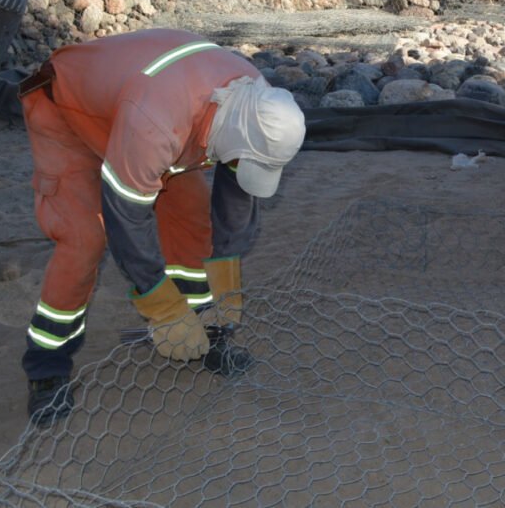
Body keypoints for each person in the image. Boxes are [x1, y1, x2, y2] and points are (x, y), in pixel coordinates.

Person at [17, 28, 306, 425]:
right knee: (85, 239)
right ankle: (46, 366)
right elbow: (125, 219)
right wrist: (161, 308)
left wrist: (225, 277)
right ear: (232, 134)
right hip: (67, 110)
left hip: (144, 113)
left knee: (191, 216)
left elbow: (234, 193)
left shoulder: (259, 100)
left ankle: (206, 328)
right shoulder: (156, 120)